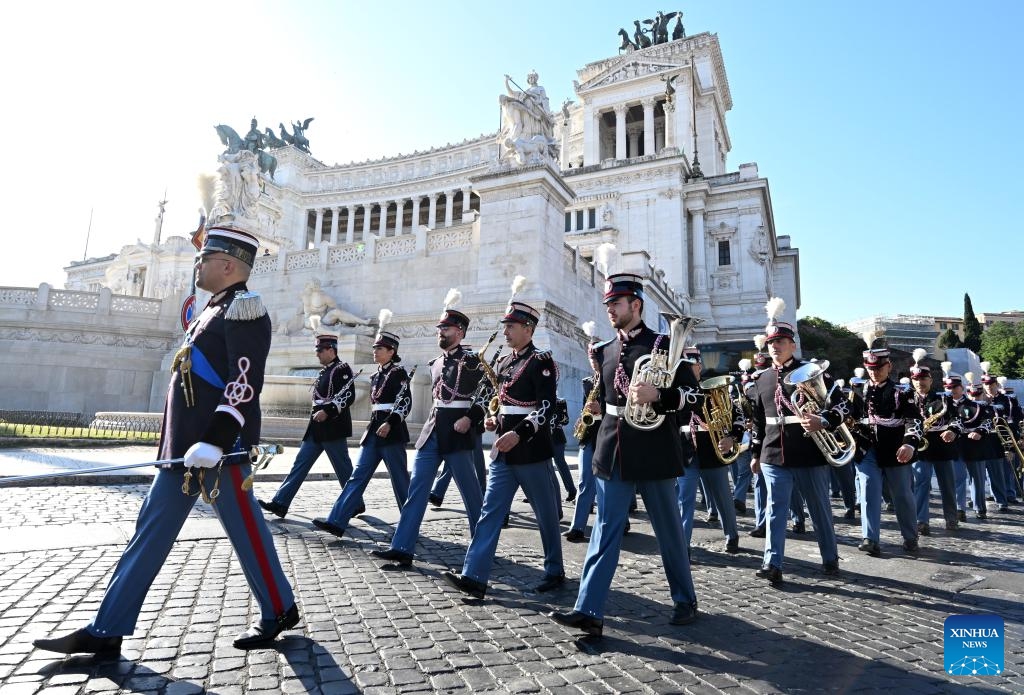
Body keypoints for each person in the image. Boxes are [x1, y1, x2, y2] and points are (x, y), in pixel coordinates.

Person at [34, 226, 298, 655]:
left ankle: (280, 607)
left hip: (217, 453)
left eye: (206, 258)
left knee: (247, 533)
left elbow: (244, 381)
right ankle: (107, 628)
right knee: (149, 533)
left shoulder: (244, 309)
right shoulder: (209, 311)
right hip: (183, 452)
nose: (198, 263)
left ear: (229, 265)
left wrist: (215, 440)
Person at [550, 273, 700, 639]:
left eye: (617, 304)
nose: (610, 310)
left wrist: (662, 398)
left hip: (654, 450)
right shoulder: (604, 350)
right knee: (604, 532)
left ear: (636, 305)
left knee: (668, 532)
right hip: (612, 449)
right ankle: (589, 609)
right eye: (608, 305)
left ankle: (685, 599)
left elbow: (695, 398)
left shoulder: (665, 345)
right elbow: (604, 398)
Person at [443, 301, 564, 597]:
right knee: (490, 512)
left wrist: (518, 433)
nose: (505, 331)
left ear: (528, 328)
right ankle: (474, 575)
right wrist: (493, 417)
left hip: (531, 450)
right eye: (505, 326)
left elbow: (546, 408)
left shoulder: (541, 361)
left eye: (511, 326)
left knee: (546, 514)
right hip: (503, 450)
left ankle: (554, 569)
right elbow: (501, 400)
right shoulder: (504, 363)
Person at [370, 290, 485, 567]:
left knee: (472, 496)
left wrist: (471, 417)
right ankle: (402, 546)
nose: (440, 332)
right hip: (432, 431)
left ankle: (481, 550)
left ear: (459, 331)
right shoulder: (435, 364)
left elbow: (487, 393)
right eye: (439, 328)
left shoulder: (473, 361)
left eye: (445, 328)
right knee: (416, 492)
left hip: (458, 434)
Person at [747, 300, 843, 585]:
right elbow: (758, 421)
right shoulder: (761, 379)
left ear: (793, 344)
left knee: (819, 509)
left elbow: (842, 407)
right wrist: (755, 452)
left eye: (781, 341)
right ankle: (772, 563)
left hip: (809, 450)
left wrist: (824, 421)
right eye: (771, 342)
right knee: (775, 510)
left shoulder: (811, 371)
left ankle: (830, 557)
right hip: (773, 453)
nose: (774, 347)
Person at [313, 323, 412, 537]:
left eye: (379, 349)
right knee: (356, 477)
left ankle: (409, 524)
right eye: (374, 348)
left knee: (400, 480)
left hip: (391, 432)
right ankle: (337, 521)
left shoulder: (399, 373)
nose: (374, 352)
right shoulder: (376, 376)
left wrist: (390, 423)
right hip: (374, 430)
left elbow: (405, 402)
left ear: (392, 351)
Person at [258, 334, 361, 519]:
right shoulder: (324, 372)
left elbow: (348, 396)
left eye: (320, 351)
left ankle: (355, 503)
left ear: (331, 349)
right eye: (317, 351)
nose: (318, 355)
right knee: (299, 465)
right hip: (315, 429)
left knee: (343, 469)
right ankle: (280, 503)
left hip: (333, 428)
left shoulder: (342, 369)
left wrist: (328, 411)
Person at [850, 335, 923, 556]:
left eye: (879, 367)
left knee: (902, 495)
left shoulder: (903, 391)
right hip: (867, 449)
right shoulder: (858, 390)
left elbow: (915, 420)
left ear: (888, 365)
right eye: (870, 367)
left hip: (895, 449)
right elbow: (852, 417)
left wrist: (909, 444)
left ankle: (910, 536)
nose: (874, 371)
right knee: (868, 491)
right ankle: (870, 538)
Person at [681, 347, 742, 554]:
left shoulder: (712, 388)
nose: (687, 370)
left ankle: (732, 536)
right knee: (684, 501)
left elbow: (737, 415)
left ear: (699, 366)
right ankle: (683, 545)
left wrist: (732, 437)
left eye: (691, 366)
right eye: (683, 367)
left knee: (723, 498)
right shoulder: (676, 391)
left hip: (713, 449)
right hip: (686, 451)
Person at [907, 352, 960, 534]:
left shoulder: (943, 399)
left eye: (923, 379)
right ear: (912, 381)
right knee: (920, 483)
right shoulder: (907, 399)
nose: (919, 383)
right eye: (916, 379)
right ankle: (921, 520)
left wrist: (952, 430)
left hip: (942, 445)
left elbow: (956, 418)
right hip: (920, 447)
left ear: (930, 380)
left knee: (947, 484)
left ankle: (951, 518)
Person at [565, 366, 601, 543]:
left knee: (609, 483)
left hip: (608, 434)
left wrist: (602, 408)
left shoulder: (616, 378)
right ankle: (577, 527)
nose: (594, 360)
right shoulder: (587, 382)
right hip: (589, 435)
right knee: (584, 482)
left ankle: (621, 522)